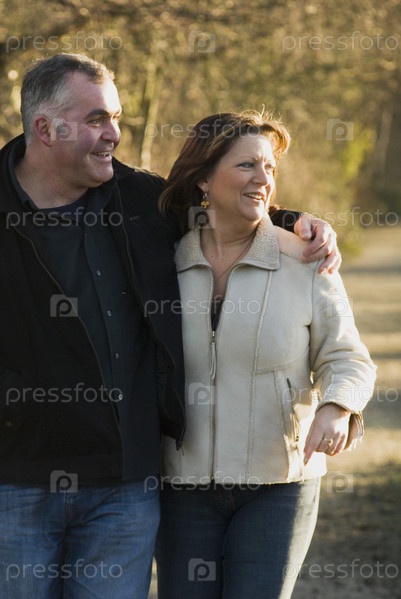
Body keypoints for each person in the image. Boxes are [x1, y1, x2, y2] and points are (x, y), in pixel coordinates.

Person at [0, 53, 339, 599]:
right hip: (14, 483)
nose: (114, 134)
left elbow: (226, 210)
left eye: (116, 117)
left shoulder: (141, 200)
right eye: (96, 120)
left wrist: (295, 221)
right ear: (45, 128)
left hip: (125, 487)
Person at [155, 111, 376, 599]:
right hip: (181, 487)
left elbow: (348, 357)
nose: (264, 178)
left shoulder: (306, 259)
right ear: (204, 178)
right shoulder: (162, 262)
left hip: (279, 485)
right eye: (247, 165)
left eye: (270, 167)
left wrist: (338, 407)